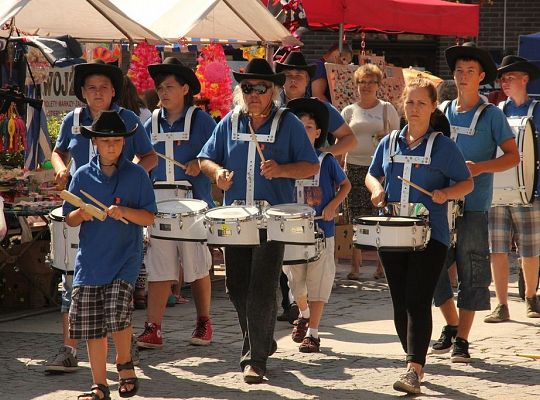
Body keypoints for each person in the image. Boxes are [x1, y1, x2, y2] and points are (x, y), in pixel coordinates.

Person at [198, 58, 320, 383]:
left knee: (262, 287)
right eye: (247, 87)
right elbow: (206, 158)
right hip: (237, 218)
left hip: (273, 220)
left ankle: (255, 360)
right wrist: (217, 173)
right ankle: (262, 339)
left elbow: (310, 165)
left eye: (260, 88)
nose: (252, 93)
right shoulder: (231, 122)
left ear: (274, 91)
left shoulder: (289, 123)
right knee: (236, 286)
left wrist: (281, 169)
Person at [47, 59, 157, 373]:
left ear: (113, 92)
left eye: (104, 87)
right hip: (83, 211)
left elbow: (148, 156)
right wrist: (61, 170)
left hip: (121, 214)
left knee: (117, 289)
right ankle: (68, 349)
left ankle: (125, 345)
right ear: (82, 91)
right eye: (91, 87)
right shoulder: (73, 119)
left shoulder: (128, 119)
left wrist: (130, 173)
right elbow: (58, 152)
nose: (97, 93)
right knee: (74, 281)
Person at [366, 77, 473, 394]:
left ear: (432, 107)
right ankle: (413, 358)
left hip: (431, 234)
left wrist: (445, 192)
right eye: (410, 102)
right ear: (403, 104)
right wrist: (377, 190)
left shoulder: (443, 146)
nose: (414, 109)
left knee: (416, 298)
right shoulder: (389, 143)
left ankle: (414, 369)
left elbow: (466, 183)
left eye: (421, 103)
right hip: (392, 231)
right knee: (400, 301)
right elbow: (374, 174)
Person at [431, 43, 520, 363]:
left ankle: (463, 339)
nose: (464, 76)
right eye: (459, 71)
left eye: (470, 71)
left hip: (476, 206)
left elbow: (513, 157)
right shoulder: (440, 112)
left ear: (482, 76)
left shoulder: (492, 115)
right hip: (440, 205)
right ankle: (451, 324)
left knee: (472, 271)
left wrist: (481, 167)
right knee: (432, 269)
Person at [63, 110, 156, 400]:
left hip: (125, 258)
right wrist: (82, 213)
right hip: (90, 261)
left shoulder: (137, 174)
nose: (112, 146)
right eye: (106, 142)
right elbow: (69, 218)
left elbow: (149, 218)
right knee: (92, 324)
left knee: (117, 311)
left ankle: (125, 365)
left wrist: (125, 212)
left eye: (117, 141)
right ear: (95, 144)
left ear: (124, 143)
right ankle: (99, 384)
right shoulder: (81, 175)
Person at [136, 57, 216, 349]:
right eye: (160, 88)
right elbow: (142, 158)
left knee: (196, 265)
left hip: (193, 201)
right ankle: (153, 327)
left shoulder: (202, 120)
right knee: (158, 267)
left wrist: (199, 162)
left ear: (185, 88)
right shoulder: (150, 122)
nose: (164, 93)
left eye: (170, 86)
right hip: (158, 199)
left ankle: (204, 321)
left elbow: (216, 156)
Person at [275, 51, 357, 322]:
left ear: (308, 80)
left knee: (312, 264)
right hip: (282, 191)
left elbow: (350, 139)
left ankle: (305, 317)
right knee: (285, 260)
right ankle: (295, 308)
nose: (293, 80)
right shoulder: (273, 108)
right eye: (287, 76)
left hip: (315, 199)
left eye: (299, 76)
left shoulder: (321, 109)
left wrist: (322, 157)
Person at [283, 97, 351, 353]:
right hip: (292, 233)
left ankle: (314, 332)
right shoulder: (286, 162)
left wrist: (333, 205)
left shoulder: (327, 160)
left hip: (322, 230)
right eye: (299, 128)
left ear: (318, 132)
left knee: (318, 283)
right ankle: (303, 311)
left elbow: (345, 185)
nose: (304, 133)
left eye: (309, 128)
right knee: (295, 284)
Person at [483, 55, 540, 322]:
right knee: (498, 248)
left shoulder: (538, 111)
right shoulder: (496, 112)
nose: (504, 83)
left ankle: (530, 296)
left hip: (530, 190)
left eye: (510, 78)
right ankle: (502, 304)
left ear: (524, 79)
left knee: (530, 248)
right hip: (497, 190)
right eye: (502, 79)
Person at [341, 63, 400, 281]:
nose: (365, 86)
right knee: (356, 218)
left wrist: (384, 135)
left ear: (378, 85)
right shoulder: (348, 111)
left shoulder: (386, 109)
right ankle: (355, 267)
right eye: (361, 82)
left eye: (370, 82)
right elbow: (341, 140)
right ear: (356, 85)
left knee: (380, 217)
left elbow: (396, 139)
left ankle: (381, 268)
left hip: (379, 170)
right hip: (354, 167)